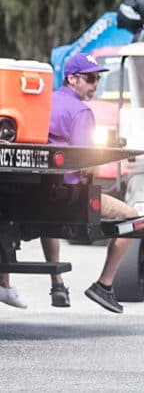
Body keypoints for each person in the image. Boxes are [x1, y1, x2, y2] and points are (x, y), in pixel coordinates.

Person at [50, 52, 137, 313]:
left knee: (46, 222)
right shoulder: (81, 112)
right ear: (72, 79)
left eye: (97, 79)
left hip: (42, 192)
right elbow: (88, 165)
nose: (95, 85)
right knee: (133, 218)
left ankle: (56, 283)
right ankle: (104, 285)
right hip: (72, 196)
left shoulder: (46, 102)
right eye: (90, 79)